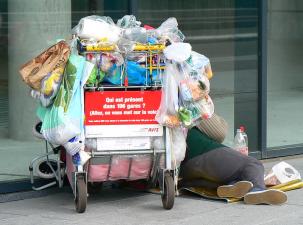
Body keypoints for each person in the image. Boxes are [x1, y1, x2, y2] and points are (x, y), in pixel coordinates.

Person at [180, 114, 287, 205]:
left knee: (234, 176)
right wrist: (204, 105)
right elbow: (219, 132)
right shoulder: (191, 109)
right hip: (204, 152)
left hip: (185, 168)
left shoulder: (172, 119)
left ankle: (231, 185)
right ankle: (258, 189)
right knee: (253, 164)